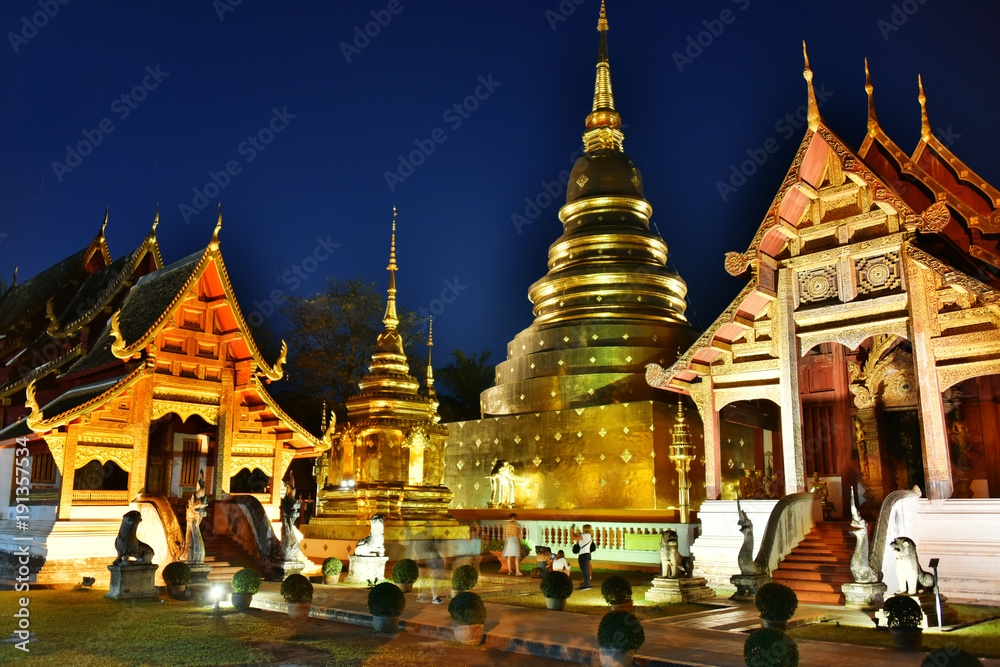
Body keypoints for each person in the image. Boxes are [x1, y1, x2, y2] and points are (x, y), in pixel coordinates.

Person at [572, 524, 594, 590]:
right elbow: (577, 537)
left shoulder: (586, 535)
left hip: (583, 554)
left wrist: (572, 531)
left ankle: (587, 585)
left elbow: (575, 538)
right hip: (586, 554)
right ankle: (586, 584)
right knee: (585, 570)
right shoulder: (588, 536)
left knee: (585, 570)